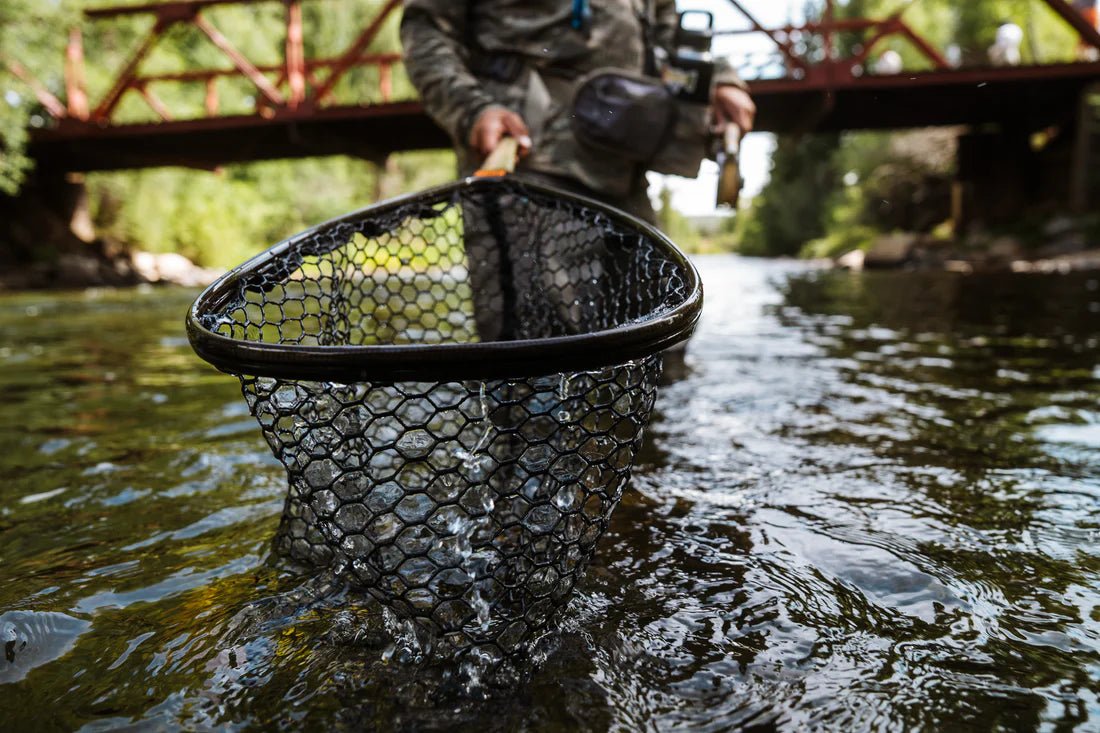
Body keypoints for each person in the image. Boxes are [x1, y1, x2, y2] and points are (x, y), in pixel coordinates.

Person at [399, 0, 757, 223]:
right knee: (544, 341)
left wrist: (720, 79)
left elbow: (666, 31)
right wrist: (472, 110)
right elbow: (425, 29)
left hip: (624, 170)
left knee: (659, 334)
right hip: (526, 169)